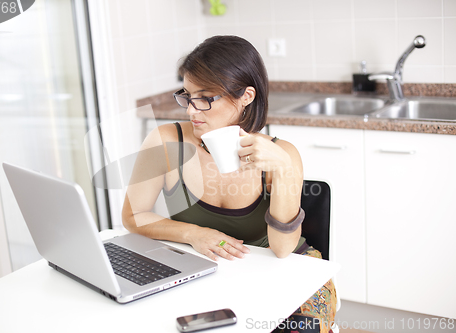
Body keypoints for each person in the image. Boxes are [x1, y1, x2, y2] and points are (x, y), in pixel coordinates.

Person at [122, 35, 336, 333]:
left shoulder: (283, 154)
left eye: (206, 98)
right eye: (187, 95)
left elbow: (283, 248)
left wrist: (285, 171)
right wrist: (194, 233)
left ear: (246, 96)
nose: (191, 110)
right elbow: (133, 215)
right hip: (208, 271)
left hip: (285, 272)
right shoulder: (166, 141)